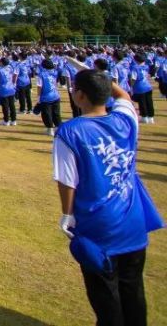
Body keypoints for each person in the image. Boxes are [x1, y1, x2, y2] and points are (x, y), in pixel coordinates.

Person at [53, 61, 162, 326]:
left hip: (98, 224)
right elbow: (123, 96)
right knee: (133, 288)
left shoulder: (70, 131)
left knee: (105, 295)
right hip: (132, 218)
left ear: (80, 95)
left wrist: (67, 214)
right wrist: (103, 78)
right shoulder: (126, 119)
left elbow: (68, 181)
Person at [37, 57, 63, 137]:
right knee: (56, 113)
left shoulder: (41, 74)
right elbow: (55, 83)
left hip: (46, 97)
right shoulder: (55, 72)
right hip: (55, 95)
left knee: (46, 113)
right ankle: (58, 129)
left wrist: (38, 97)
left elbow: (39, 86)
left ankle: (50, 129)